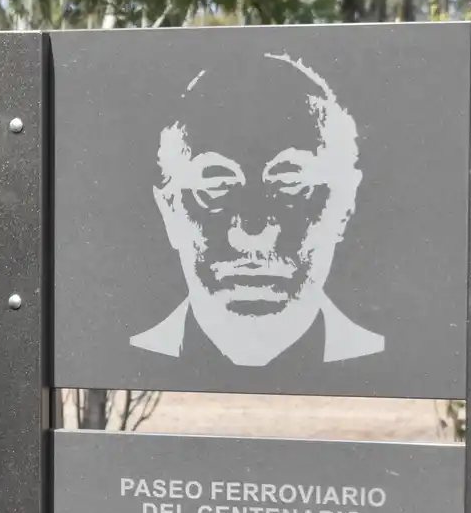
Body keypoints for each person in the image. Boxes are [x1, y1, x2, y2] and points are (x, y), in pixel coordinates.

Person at [131, 51, 384, 368]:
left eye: (290, 182)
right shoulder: (138, 354)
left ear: (346, 202)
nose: (251, 232)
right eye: (216, 186)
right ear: (169, 209)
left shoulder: (380, 356)